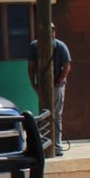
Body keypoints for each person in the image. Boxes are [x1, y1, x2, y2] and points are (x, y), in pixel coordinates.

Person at [27, 23, 72, 154]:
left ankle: (56, 146)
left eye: (52, 30)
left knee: (56, 114)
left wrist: (58, 82)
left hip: (57, 85)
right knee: (44, 114)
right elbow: (31, 66)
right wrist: (33, 83)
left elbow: (67, 66)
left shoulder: (60, 46)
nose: (51, 33)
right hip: (42, 84)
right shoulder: (35, 46)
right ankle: (43, 144)